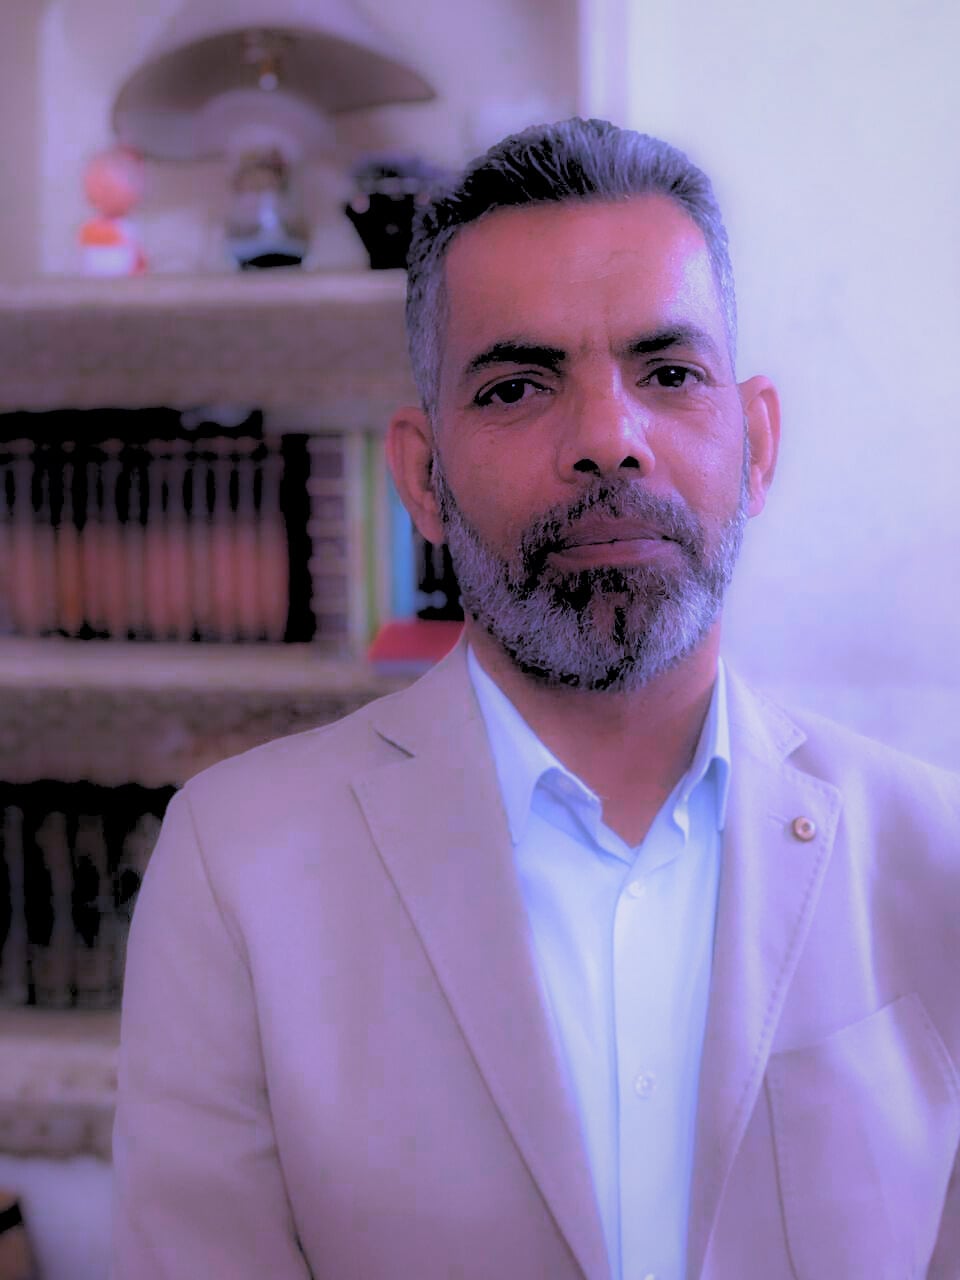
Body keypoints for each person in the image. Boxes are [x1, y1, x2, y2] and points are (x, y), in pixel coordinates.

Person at [110, 118, 960, 1280]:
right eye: (517, 385)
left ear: (757, 443)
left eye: (669, 373)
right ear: (423, 477)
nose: (608, 438)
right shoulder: (238, 866)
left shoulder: (933, 852)